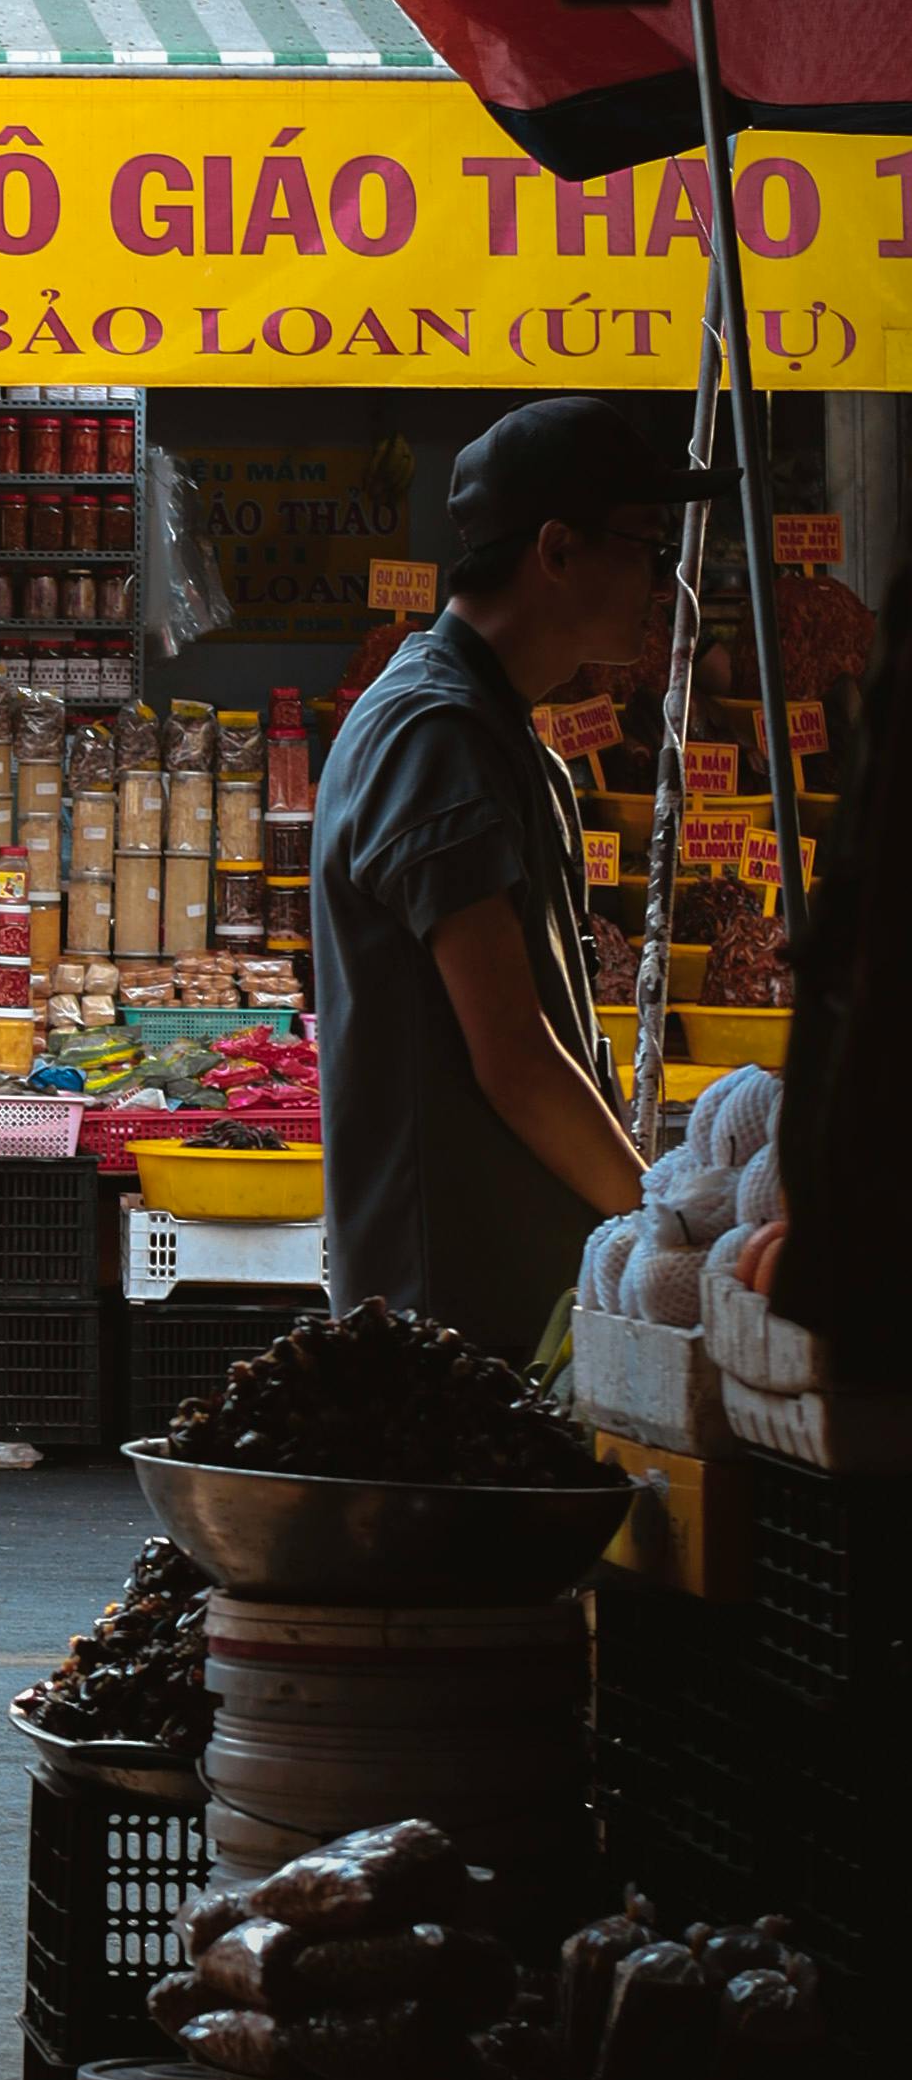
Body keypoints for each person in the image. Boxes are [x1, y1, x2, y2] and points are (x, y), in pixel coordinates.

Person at [313, 392, 687, 1360]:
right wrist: (670, 1231)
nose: (664, 579)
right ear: (556, 551)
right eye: (648, 544)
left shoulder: (498, 733)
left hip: (507, 1302)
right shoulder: (435, 735)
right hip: (448, 1317)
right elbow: (513, 1060)